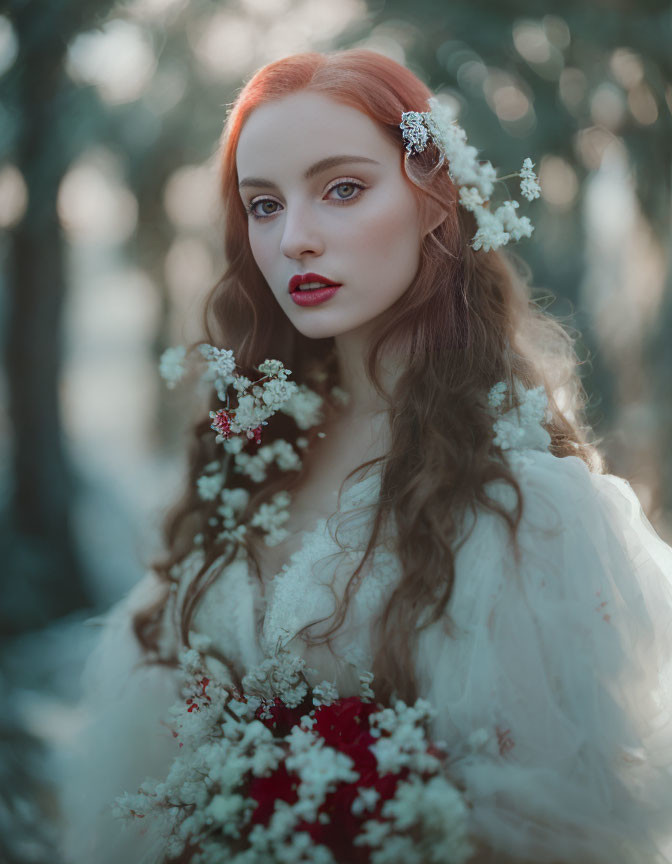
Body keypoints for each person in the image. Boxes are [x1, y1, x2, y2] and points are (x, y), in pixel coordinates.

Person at [56, 48, 672, 864]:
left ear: (431, 199)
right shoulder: (254, 453)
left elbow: (550, 825)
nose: (295, 239)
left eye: (342, 188)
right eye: (263, 205)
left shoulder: (527, 503)